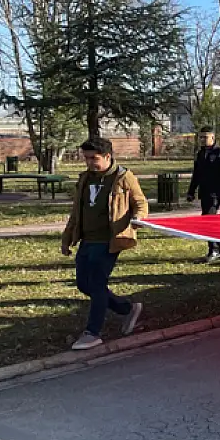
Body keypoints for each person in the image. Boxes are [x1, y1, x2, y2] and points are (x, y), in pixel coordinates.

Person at [61, 138, 148, 351]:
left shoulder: (123, 177)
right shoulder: (85, 179)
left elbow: (140, 202)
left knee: (98, 283)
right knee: (84, 284)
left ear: (108, 156)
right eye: (86, 158)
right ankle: (127, 308)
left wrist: (138, 219)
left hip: (109, 240)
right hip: (87, 239)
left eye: (94, 158)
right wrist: (67, 237)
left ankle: (92, 333)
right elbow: (76, 211)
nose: (89, 162)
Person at [186, 126, 220, 263]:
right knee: (208, 220)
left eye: (206, 137)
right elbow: (196, 175)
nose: (203, 140)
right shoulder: (200, 154)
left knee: (208, 220)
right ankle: (218, 249)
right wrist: (191, 192)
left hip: (215, 193)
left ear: (213, 137)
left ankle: (215, 250)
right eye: (201, 137)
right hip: (204, 192)